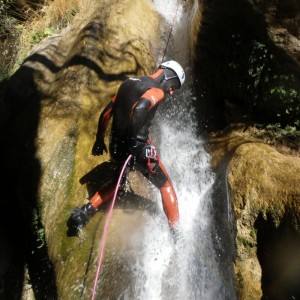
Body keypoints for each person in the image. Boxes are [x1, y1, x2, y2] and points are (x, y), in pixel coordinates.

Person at [70, 60, 185, 235]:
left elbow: (107, 112)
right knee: (166, 185)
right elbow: (140, 108)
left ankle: (85, 211)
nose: (170, 92)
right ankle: (177, 235)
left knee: (118, 183)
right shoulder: (157, 90)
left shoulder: (128, 83)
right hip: (136, 149)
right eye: (174, 86)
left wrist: (99, 140)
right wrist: (134, 142)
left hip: (116, 147)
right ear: (168, 75)